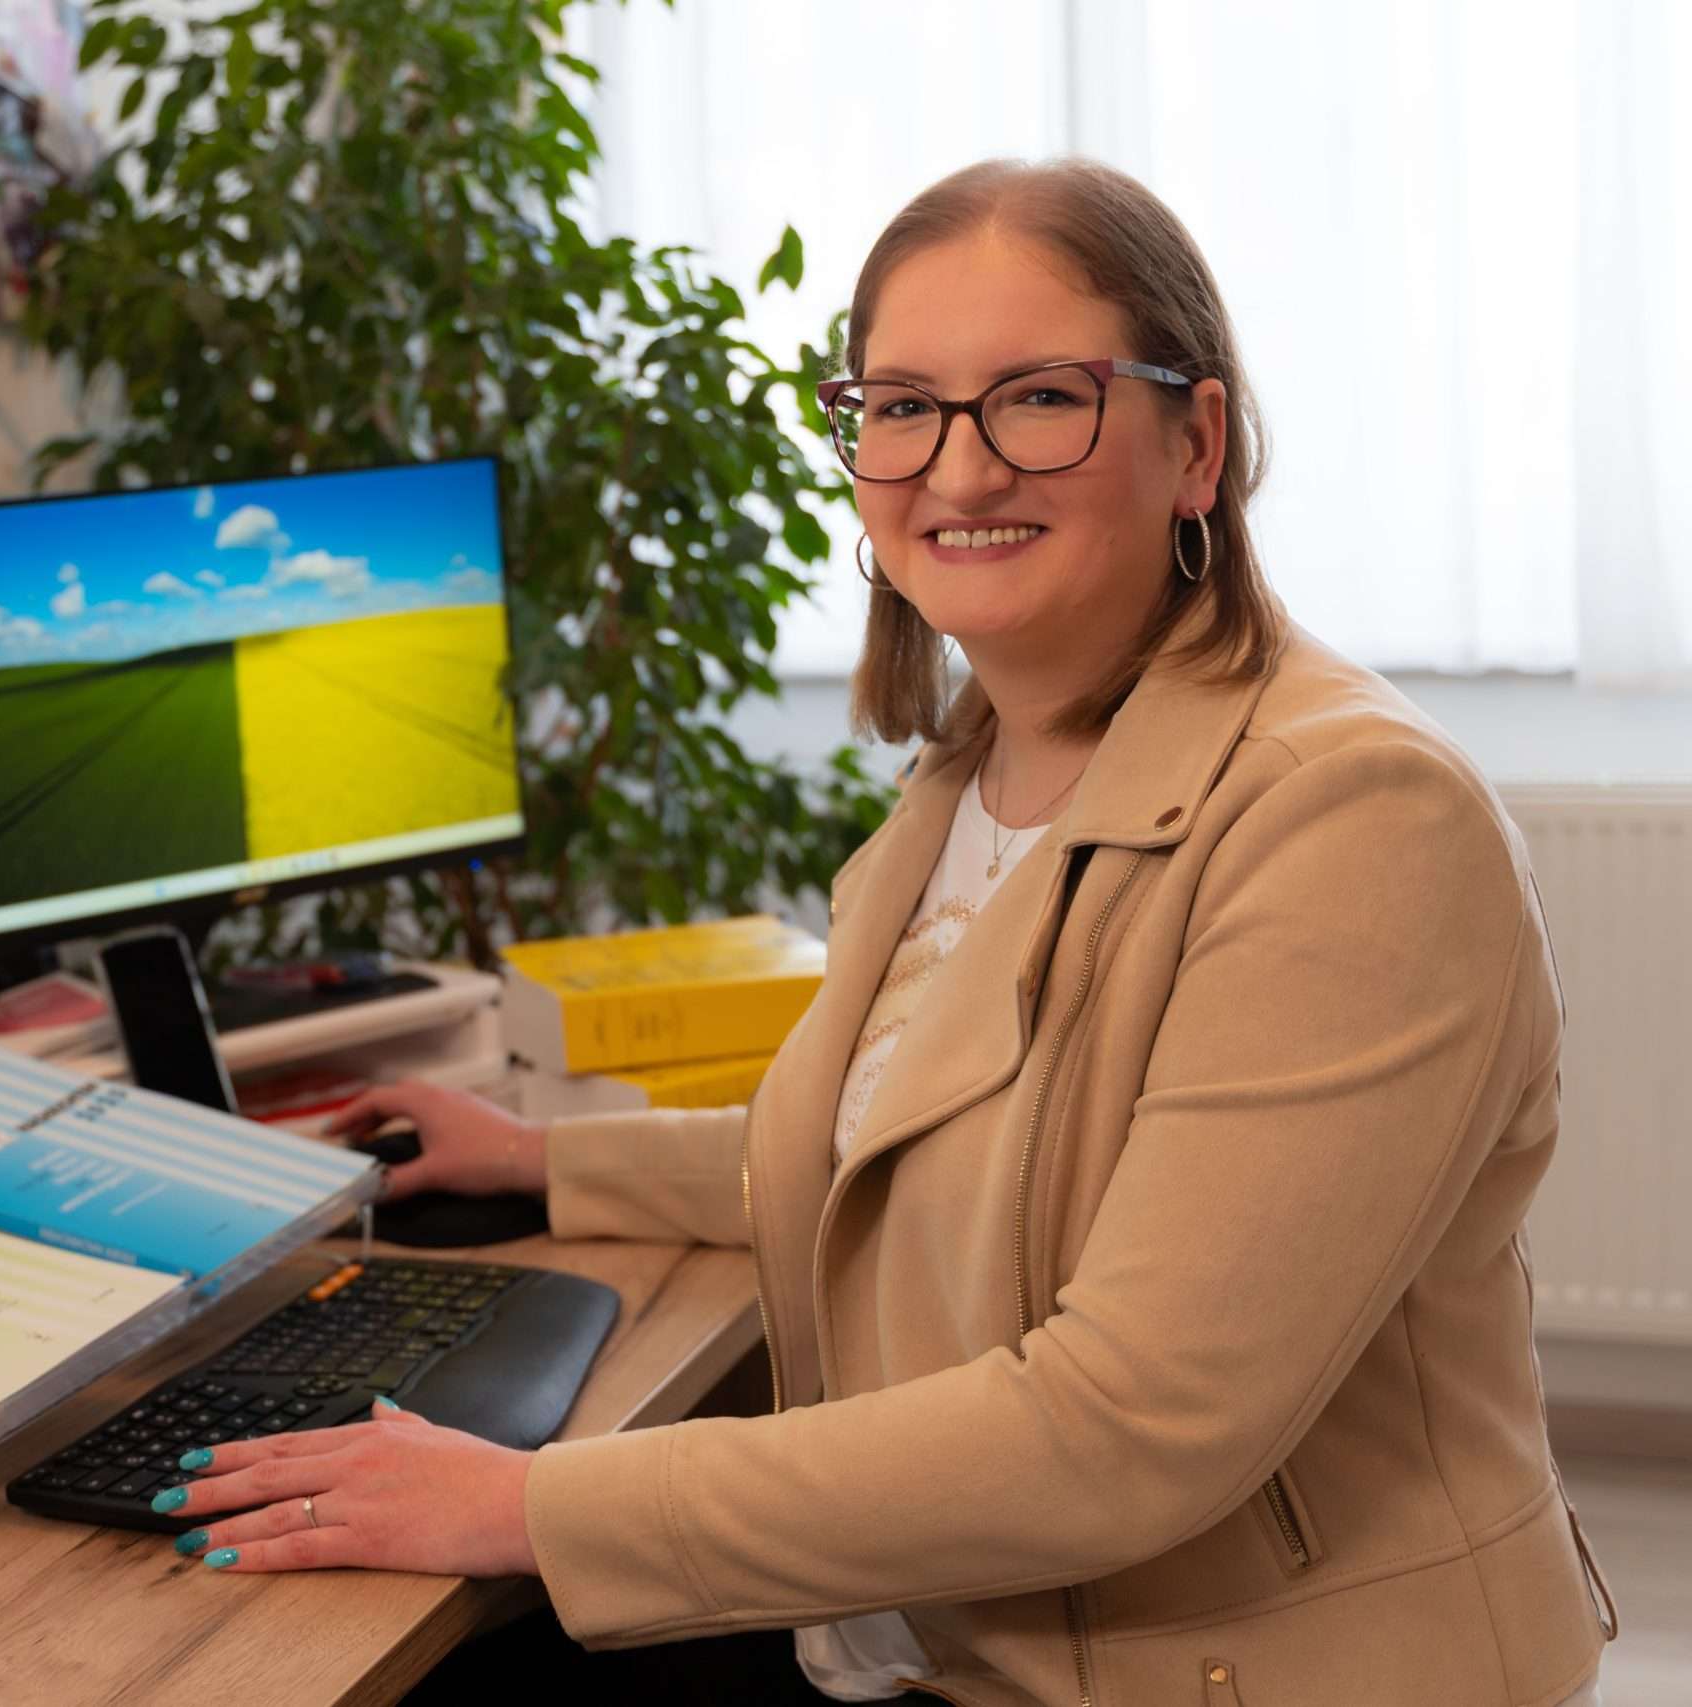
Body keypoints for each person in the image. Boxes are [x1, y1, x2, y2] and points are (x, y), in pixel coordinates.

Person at [159, 159, 1619, 1707]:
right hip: (949, 1633)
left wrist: (523, 1505)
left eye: (1040, 399)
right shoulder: (971, 777)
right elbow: (911, 1147)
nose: (961, 471)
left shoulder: (1356, 822)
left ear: (1197, 445)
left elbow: (1126, 1428)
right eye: (904, 406)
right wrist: (538, 1158)